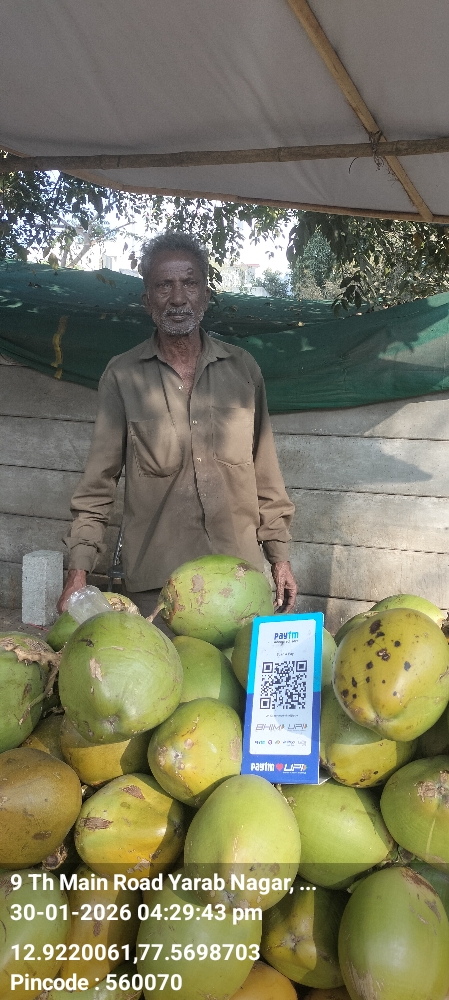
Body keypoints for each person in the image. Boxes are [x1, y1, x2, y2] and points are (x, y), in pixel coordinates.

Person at [57, 232, 297, 622]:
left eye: (189, 283)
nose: (178, 298)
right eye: (164, 285)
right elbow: (98, 483)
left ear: (206, 294)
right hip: (160, 588)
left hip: (238, 579)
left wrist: (280, 558)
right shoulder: (122, 376)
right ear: (146, 299)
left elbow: (266, 473)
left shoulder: (243, 370)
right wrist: (78, 571)